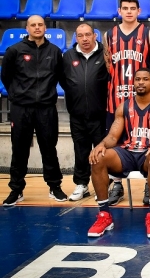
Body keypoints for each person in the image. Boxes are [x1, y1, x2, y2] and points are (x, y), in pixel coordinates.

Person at [87, 68, 150, 238]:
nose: (141, 82)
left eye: (145, 79)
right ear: (133, 82)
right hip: (128, 152)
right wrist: (101, 145)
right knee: (98, 158)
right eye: (138, 79)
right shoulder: (124, 106)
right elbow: (113, 137)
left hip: (149, 153)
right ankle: (104, 215)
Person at [1, 15, 66, 206]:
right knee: (19, 149)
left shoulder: (54, 51)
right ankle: (16, 189)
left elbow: (60, 76)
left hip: (46, 108)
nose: (37, 28)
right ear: (27, 28)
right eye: (33, 25)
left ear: (45, 27)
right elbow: (6, 77)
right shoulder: (14, 50)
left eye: (40, 25)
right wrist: (17, 95)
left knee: (49, 148)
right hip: (21, 108)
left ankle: (55, 186)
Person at [102, 0, 150, 205]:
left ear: (139, 11)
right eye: (124, 8)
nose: (128, 12)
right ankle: (117, 185)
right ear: (119, 11)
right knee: (114, 142)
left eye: (132, 8)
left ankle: (148, 184)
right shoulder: (109, 35)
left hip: (141, 101)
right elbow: (109, 65)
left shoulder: (149, 34)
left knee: (147, 141)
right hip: (115, 98)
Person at [61, 22, 109, 202]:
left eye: (88, 34)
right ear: (76, 37)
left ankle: (102, 186)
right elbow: (64, 81)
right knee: (80, 151)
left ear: (94, 35)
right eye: (80, 35)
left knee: (101, 153)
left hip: (100, 114)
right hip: (78, 115)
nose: (85, 38)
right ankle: (81, 184)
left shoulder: (105, 54)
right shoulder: (68, 56)